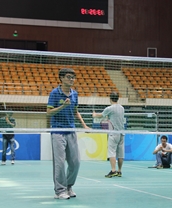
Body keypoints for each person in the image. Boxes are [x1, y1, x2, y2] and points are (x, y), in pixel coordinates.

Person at [47, 68, 89, 200]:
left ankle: (69, 186)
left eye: (73, 77)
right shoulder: (55, 93)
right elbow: (48, 113)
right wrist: (62, 106)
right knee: (59, 163)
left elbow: (76, 111)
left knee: (75, 162)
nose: (72, 79)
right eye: (69, 77)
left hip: (71, 130)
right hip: (58, 131)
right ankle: (60, 191)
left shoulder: (74, 94)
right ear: (61, 78)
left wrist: (84, 125)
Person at [92, 92, 125, 178]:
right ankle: (119, 171)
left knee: (112, 152)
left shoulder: (109, 108)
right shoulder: (122, 108)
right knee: (120, 154)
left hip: (113, 133)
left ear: (110, 98)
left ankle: (113, 170)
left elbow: (101, 115)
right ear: (118, 98)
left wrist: (94, 115)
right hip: (121, 133)